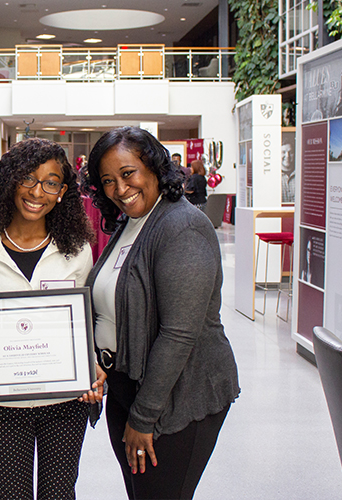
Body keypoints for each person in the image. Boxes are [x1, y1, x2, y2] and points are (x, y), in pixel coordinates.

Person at [82, 127, 240, 500]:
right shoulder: (131, 224)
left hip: (176, 396)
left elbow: (179, 333)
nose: (120, 189)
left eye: (127, 173)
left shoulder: (181, 226)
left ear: (154, 167)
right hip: (127, 385)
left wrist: (144, 416)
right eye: (107, 181)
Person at [0, 138, 105, 500]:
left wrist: (93, 366)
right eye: (28, 178)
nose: (37, 191)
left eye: (51, 182)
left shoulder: (77, 253)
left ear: (62, 193)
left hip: (66, 403)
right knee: (11, 495)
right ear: (10, 181)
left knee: (59, 494)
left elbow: (85, 322)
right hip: (4, 407)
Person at [281, 138, 295, 203]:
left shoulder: (302, 175)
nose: (287, 156)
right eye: (283, 152)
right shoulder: (272, 176)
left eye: (290, 152)